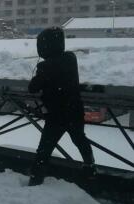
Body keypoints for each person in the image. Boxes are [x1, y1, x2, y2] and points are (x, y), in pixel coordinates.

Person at [27, 27, 95, 186]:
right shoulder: (71, 58)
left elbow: (32, 88)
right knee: (80, 139)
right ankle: (90, 168)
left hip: (56, 115)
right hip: (75, 111)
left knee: (44, 149)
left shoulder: (45, 67)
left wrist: (41, 72)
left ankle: (36, 179)